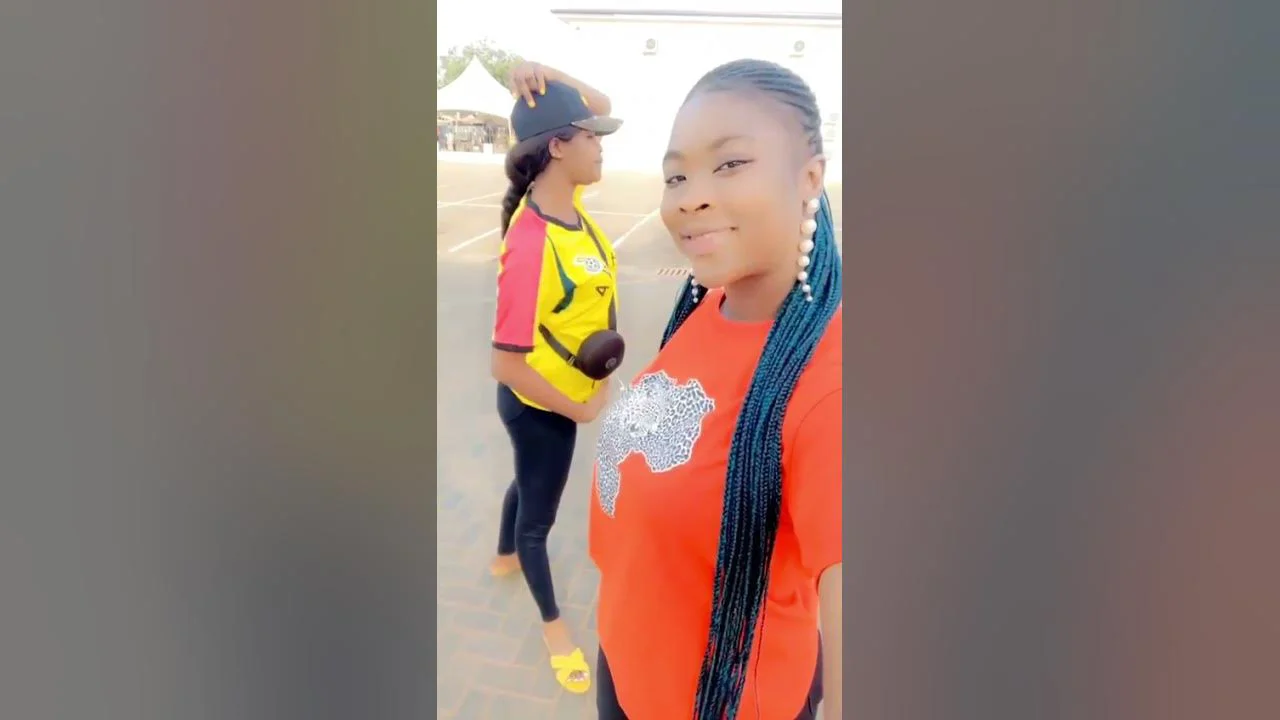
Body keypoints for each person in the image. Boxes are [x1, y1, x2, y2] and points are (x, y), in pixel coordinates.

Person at [589, 59, 844, 719]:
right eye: (676, 176)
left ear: (809, 178)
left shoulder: (831, 385)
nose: (689, 198)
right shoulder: (713, 301)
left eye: (730, 164)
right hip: (627, 665)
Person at [488, 61, 622, 696]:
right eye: (590, 136)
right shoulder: (531, 242)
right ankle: (552, 629)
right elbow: (505, 363)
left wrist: (546, 71)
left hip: (562, 395)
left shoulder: (571, 210)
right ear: (559, 147)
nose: (601, 145)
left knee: (526, 482)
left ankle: (502, 555)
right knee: (539, 518)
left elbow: (603, 100)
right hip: (541, 407)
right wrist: (582, 410)